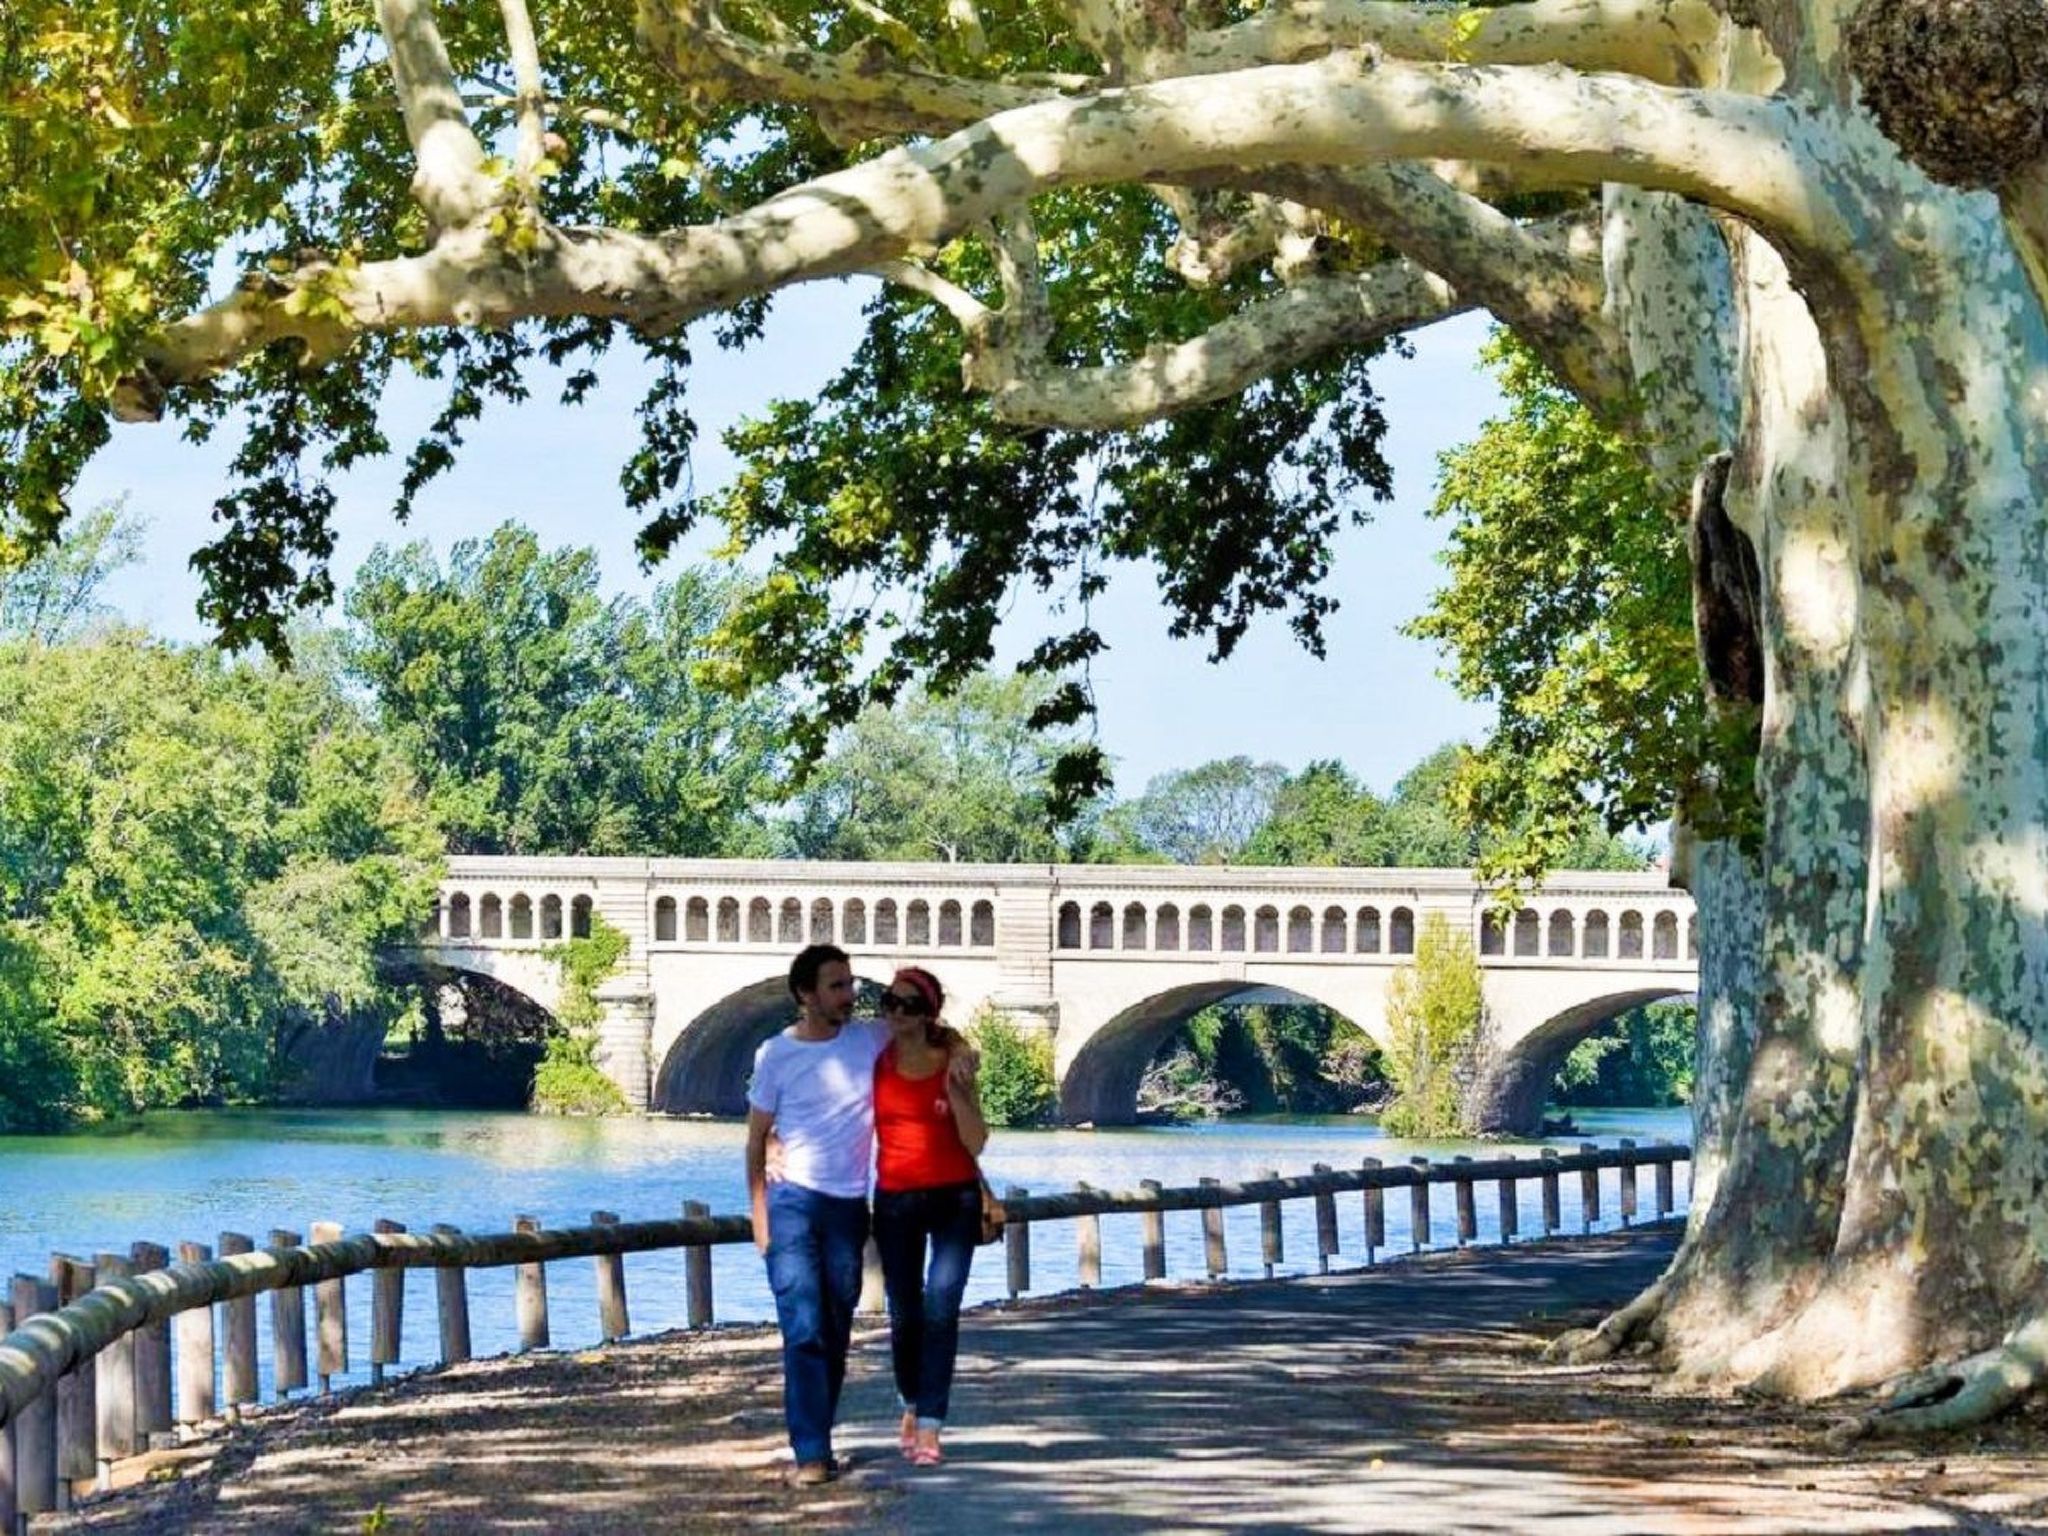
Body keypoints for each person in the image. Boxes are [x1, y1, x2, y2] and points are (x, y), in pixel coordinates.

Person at [745, 944, 972, 1487]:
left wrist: (962, 1049)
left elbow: (933, 1029)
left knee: (835, 1324)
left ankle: (818, 1432)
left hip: (848, 1206)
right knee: (802, 1324)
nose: (850, 995)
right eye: (837, 986)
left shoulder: (869, 1038)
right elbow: (755, 1139)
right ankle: (811, 1451)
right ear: (806, 994)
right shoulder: (774, 1054)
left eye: (850, 985)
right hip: (792, 1200)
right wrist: (759, 1215)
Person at [870, 965, 989, 1468]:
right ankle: (911, 1403)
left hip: (953, 1198)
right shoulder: (872, 1058)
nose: (898, 1013)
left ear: (928, 1013)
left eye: (909, 1005)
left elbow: (977, 1142)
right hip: (895, 1201)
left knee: (941, 1306)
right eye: (890, 1003)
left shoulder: (952, 1063)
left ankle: (931, 1427)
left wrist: (958, 1086)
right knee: (904, 1310)